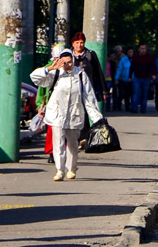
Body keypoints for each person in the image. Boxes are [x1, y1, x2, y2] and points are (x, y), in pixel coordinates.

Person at [30, 48, 104, 181]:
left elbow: (89, 97)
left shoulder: (80, 75)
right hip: (57, 114)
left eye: (69, 62)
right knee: (58, 142)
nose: (67, 65)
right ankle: (59, 170)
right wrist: (50, 68)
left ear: (73, 61)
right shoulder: (55, 74)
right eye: (64, 62)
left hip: (74, 114)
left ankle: (72, 168)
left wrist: (97, 118)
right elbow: (34, 77)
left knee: (73, 144)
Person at [70, 32, 107, 104]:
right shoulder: (68, 55)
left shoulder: (90, 54)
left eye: (81, 42)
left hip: (88, 88)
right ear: (73, 43)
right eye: (77, 43)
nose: (79, 45)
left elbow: (98, 72)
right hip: (73, 88)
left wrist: (104, 90)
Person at [131, 43, 157, 113]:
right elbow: (132, 67)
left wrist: (154, 74)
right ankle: (134, 108)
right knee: (136, 93)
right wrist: (130, 76)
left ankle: (143, 108)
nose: (143, 50)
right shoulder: (136, 57)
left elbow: (153, 66)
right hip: (137, 77)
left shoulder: (150, 57)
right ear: (138, 49)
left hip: (146, 78)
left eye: (145, 48)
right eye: (142, 49)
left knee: (145, 94)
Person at [115, 47, 134, 113]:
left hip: (134, 79)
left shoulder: (135, 59)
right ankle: (124, 106)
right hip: (125, 79)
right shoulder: (123, 59)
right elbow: (119, 69)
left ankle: (132, 106)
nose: (130, 53)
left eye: (132, 52)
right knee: (124, 94)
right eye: (129, 52)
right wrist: (116, 78)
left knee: (132, 94)